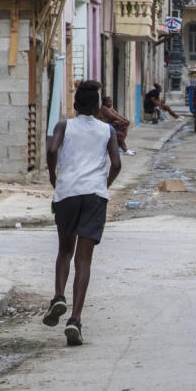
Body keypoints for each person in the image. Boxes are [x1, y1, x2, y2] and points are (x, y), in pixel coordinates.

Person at [43, 80, 122, 346]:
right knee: (84, 261)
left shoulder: (64, 126)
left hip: (67, 193)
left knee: (65, 251)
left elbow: (52, 149)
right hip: (94, 195)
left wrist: (54, 175)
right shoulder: (107, 130)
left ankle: (58, 297)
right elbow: (117, 163)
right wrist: (104, 184)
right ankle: (75, 320)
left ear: (75, 105)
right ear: (98, 107)